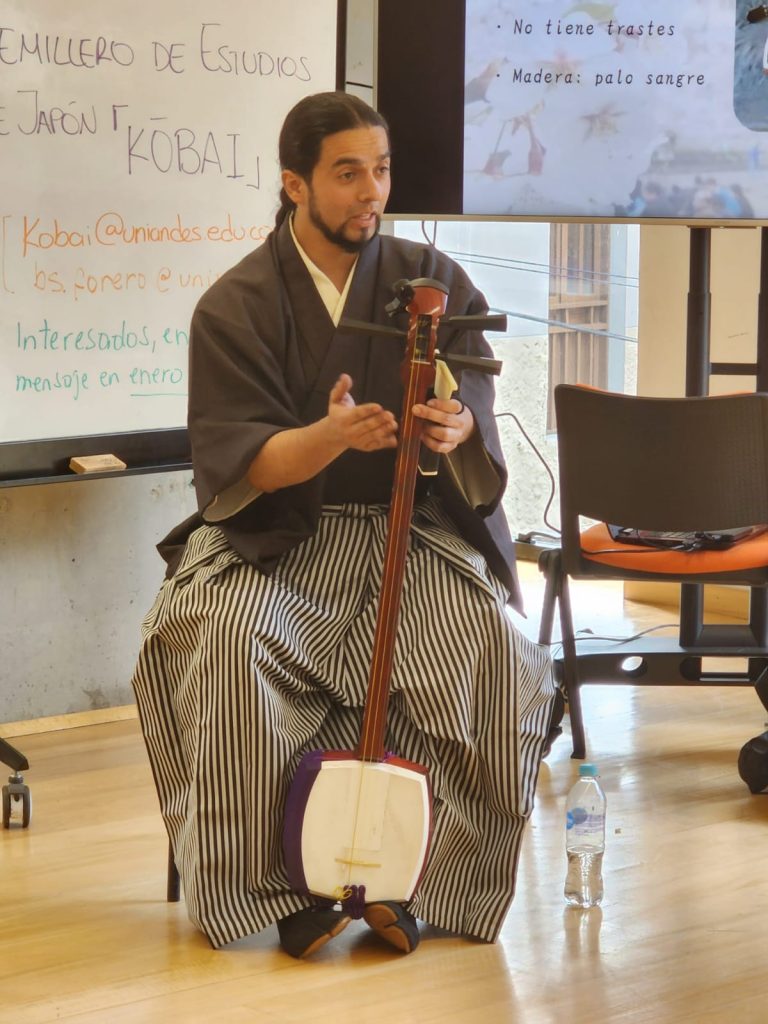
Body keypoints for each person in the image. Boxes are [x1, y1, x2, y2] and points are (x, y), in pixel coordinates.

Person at [132, 91, 555, 959]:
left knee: (496, 653)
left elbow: (472, 393)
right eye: (348, 173)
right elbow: (245, 465)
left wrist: (457, 426)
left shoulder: (432, 278)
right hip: (283, 533)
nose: (372, 193)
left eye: (382, 171)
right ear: (296, 184)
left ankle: (417, 880)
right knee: (231, 640)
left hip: (410, 526)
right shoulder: (237, 303)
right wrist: (325, 438)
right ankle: (283, 888)